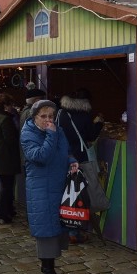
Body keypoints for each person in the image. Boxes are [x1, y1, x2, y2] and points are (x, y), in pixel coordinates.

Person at [21, 99, 78, 274]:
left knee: (58, 230)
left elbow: (66, 151)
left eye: (51, 116)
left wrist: (72, 161)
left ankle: (51, 269)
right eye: (43, 116)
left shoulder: (58, 130)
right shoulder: (28, 134)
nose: (48, 120)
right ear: (34, 116)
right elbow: (41, 156)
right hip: (41, 189)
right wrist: (50, 135)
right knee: (45, 231)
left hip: (59, 186)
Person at [56, 88, 104, 244]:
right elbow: (90, 136)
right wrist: (98, 124)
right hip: (80, 159)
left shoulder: (60, 113)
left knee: (66, 194)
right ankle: (74, 231)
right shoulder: (84, 115)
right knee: (78, 196)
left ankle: (66, 228)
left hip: (63, 158)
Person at [0, 93, 21, 224]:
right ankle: (1, 213)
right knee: (7, 187)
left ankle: (8, 210)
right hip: (6, 157)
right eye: (10, 104)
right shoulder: (6, 119)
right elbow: (11, 140)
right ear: (6, 105)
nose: (12, 107)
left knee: (6, 185)